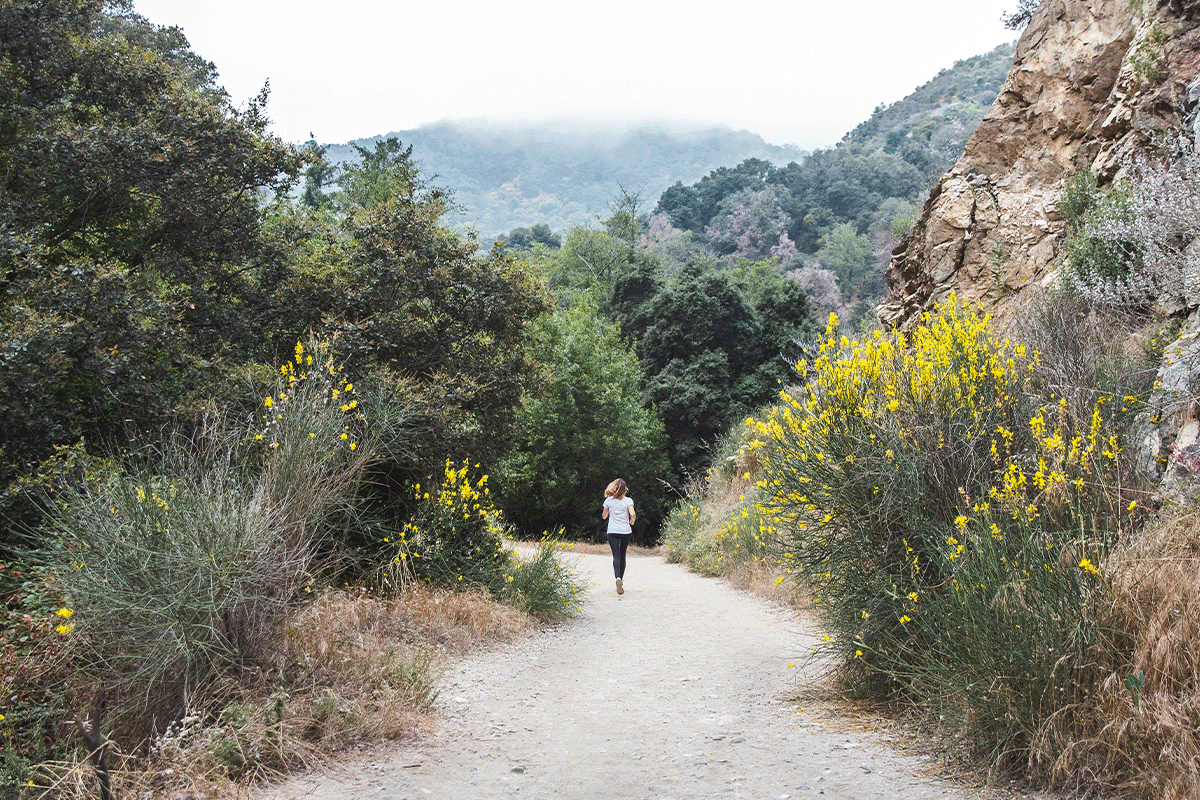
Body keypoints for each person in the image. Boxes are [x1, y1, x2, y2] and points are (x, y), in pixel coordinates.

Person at [602, 478, 635, 595]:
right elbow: (632, 513)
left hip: (612, 532)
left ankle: (617, 578)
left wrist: (607, 511)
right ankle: (621, 577)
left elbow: (604, 516)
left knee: (616, 555)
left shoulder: (608, 501)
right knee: (623, 554)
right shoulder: (628, 501)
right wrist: (632, 520)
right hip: (625, 532)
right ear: (624, 490)